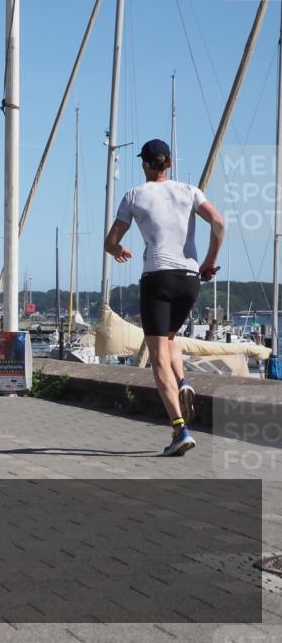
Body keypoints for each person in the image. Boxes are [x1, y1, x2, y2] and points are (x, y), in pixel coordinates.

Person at [104, 138, 225, 456]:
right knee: (170, 339)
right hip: (189, 279)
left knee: (158, 357)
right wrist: (210, 261)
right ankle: (183, 380)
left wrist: (119, 250)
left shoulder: (134, 195)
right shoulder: (190, 192)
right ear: (169, 163)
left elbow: (111, 241)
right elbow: (219, 222)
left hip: (157, 278)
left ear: (144, 164)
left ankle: (179, 429)